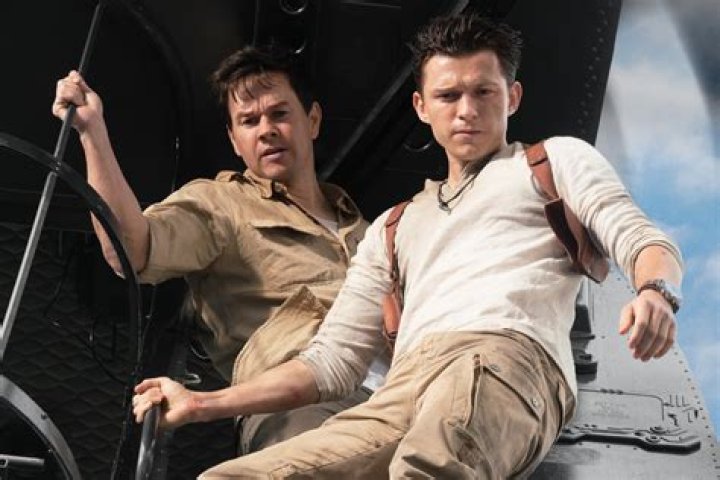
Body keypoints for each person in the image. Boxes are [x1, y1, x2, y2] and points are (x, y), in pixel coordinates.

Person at [132, 12, 684, 479]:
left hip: (500, 357)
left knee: (427, 466)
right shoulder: (393, 227)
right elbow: (330, 363)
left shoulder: (551, 162)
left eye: (483, 92)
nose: (466, 110)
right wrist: (202, 403)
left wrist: (655, 291)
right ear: (422, 106)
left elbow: (639, 237)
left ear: (512, 96)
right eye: (448, 95)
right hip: (405, 384)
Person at [52, 45, 388, 455]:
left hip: (404, 399)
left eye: (279, 114)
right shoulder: (221, 205)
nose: (266, 130)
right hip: (301, 406)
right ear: (234, 139)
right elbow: (131, 248)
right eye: (249, 120)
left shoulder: (371, 230)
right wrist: (92, 133)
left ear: (312, 120)